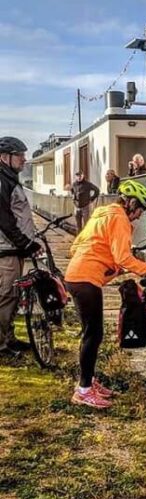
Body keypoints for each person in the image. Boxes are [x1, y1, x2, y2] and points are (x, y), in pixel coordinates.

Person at [65, 179, 146, 409]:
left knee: (92, 333)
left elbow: (75, 247)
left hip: (78, 275)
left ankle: (89, 382)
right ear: (131, 203)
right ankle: (84, 391)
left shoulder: (102, 213)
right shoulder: (119, 218)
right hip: (86, 279)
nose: (139, 216)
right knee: (93, 334)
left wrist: (106, 265)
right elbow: (123, 258)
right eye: (140, 211)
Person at [0, 137, 40, 357]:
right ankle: (1, 346)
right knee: (5, 296)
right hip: (7, 251)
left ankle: (9, 338)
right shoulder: (1, 180)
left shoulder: (9, 179)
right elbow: (4, 220)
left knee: (13, 295)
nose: (24, 159)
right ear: (5, 157)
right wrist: (25, 242)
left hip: (15, 250)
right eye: (20, 155)